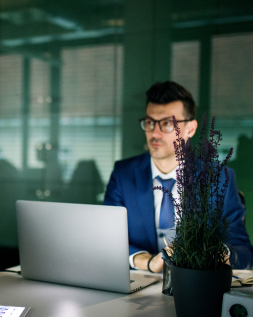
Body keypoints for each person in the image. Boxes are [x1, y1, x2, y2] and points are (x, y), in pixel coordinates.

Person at [104, 81, 253, 273]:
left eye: (166, 124)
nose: (154, 133)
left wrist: (215, 253)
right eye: (149, 122)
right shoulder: (123, 174)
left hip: (196, 288)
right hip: (137, 288)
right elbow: (108, 240)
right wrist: (146, 261)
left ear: (190, 129)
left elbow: (244, 254)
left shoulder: (219, 178)